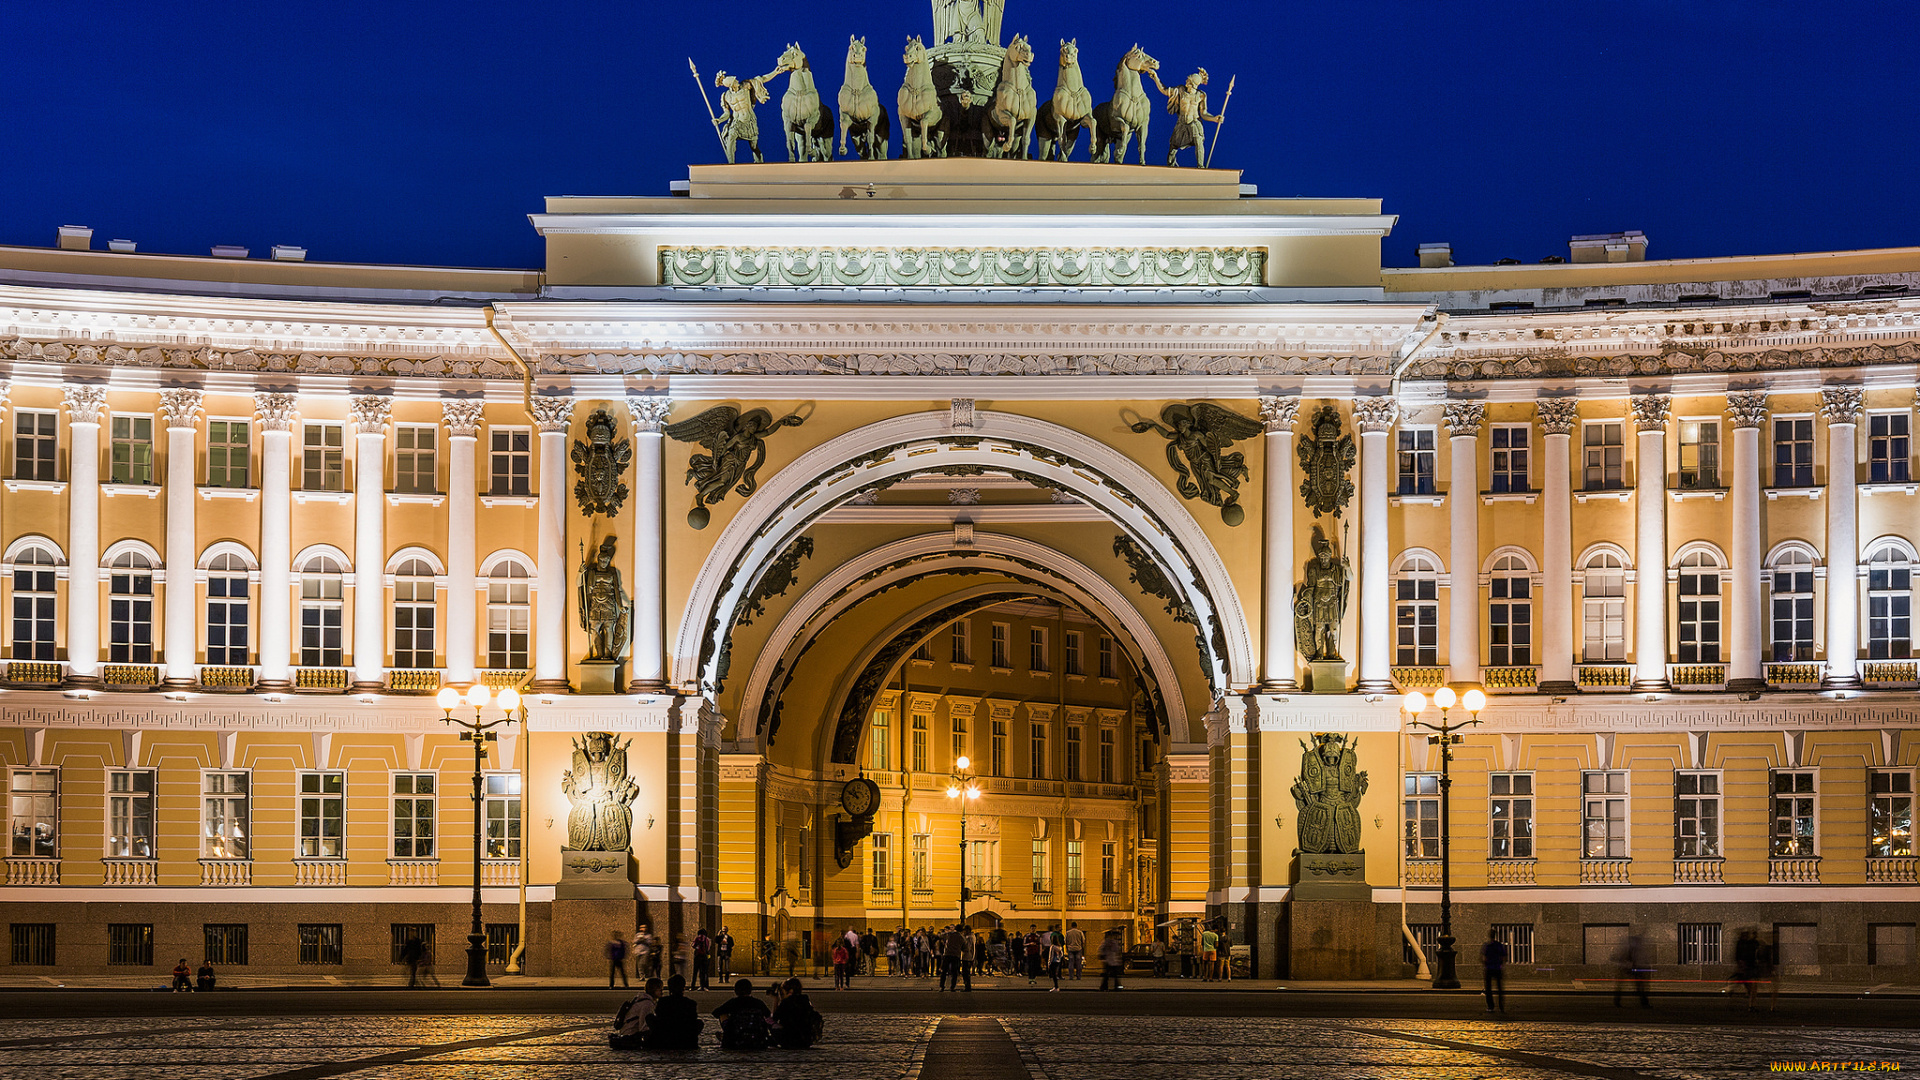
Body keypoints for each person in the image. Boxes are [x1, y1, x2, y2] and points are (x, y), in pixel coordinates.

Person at [643, 974, 703, 1050]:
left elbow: (658, 1018)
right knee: (699, 1022)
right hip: (685, 1039)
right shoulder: (690, 1003)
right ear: (683, 988)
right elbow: (693, 1021)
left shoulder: (663, 1001)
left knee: (649, 1017)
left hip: (665, 1038)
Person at [713, 978, 772, 1050]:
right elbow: (768, 1014)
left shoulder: (733, 1002)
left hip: (736, 1036)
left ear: (736, 991)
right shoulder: (758, 1003)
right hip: (757, 1036)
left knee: (723, 1014)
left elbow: (716, 1013)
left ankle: (727, 1035)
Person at [610, 977, 662, 1050]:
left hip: (626, 1033)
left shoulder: (639, 999)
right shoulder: (647, 1004)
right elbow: (644, 1027)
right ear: (654, 990)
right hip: (631, 1036)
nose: (662, 992)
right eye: (660, 989)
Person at [770, 977, 823, 1049]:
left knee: (771, 1024)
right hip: (806, 1039)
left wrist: (776, 1000)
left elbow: (774, 1018)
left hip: (790, 1039)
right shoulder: (805, 1001)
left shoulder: (786, 1003)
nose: (781, 995)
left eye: (782, 993)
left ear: (790, 991)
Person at [1613, 931, 1651, 1008]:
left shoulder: (1630, 947)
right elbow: (1629, 957)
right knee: (1639, 985)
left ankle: (1617, 1000)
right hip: (1629, 967)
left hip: (1628, 967)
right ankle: (1644, 1002)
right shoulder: (1632, 947)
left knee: (1626, 985)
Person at [1732, 929, 1760, 1011]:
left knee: (1751, 987)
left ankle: (1751, 1004)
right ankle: (1751, 1005)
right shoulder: (1746, 943)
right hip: (1749, 968)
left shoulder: (1745, 943)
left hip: (1748, 967)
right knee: (1752, 988)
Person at [1481, 931, 1508, 1013]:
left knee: (1488, 989)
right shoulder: (1499, 945)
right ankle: (1501, 1006)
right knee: (1499, 988)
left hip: (1489, 968)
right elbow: (1503, 956)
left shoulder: (1487, 945)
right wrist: (1501, 964)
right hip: (1497, 968)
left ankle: (1490, 1006)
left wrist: (1485, 964)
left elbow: (1484, 958)